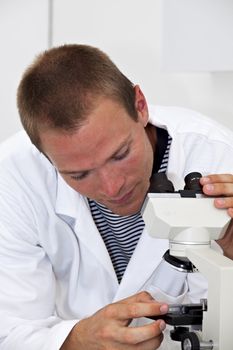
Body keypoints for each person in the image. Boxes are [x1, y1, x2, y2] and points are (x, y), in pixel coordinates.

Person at [0, 44, 233, 350]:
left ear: (140, 105)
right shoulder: (16, 176)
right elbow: (11, 329)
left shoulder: (216, 155)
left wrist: (229, 248)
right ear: (45, 156)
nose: (112, 188)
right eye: (79, 174)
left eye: (120, 154)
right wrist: (76, 341)